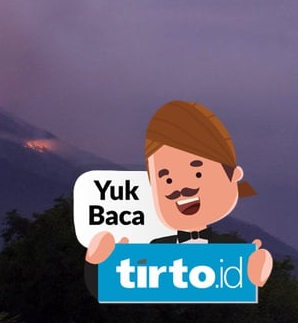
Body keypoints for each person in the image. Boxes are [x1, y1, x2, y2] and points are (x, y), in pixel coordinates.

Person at [85, 101, 272, 296]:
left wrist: (255, 273)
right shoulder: (155, 249)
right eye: (167, 179)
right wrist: (99, 264)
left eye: (198, 173)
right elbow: (112, 288)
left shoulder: (233, 252)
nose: (181, 189)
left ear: (234, 175)